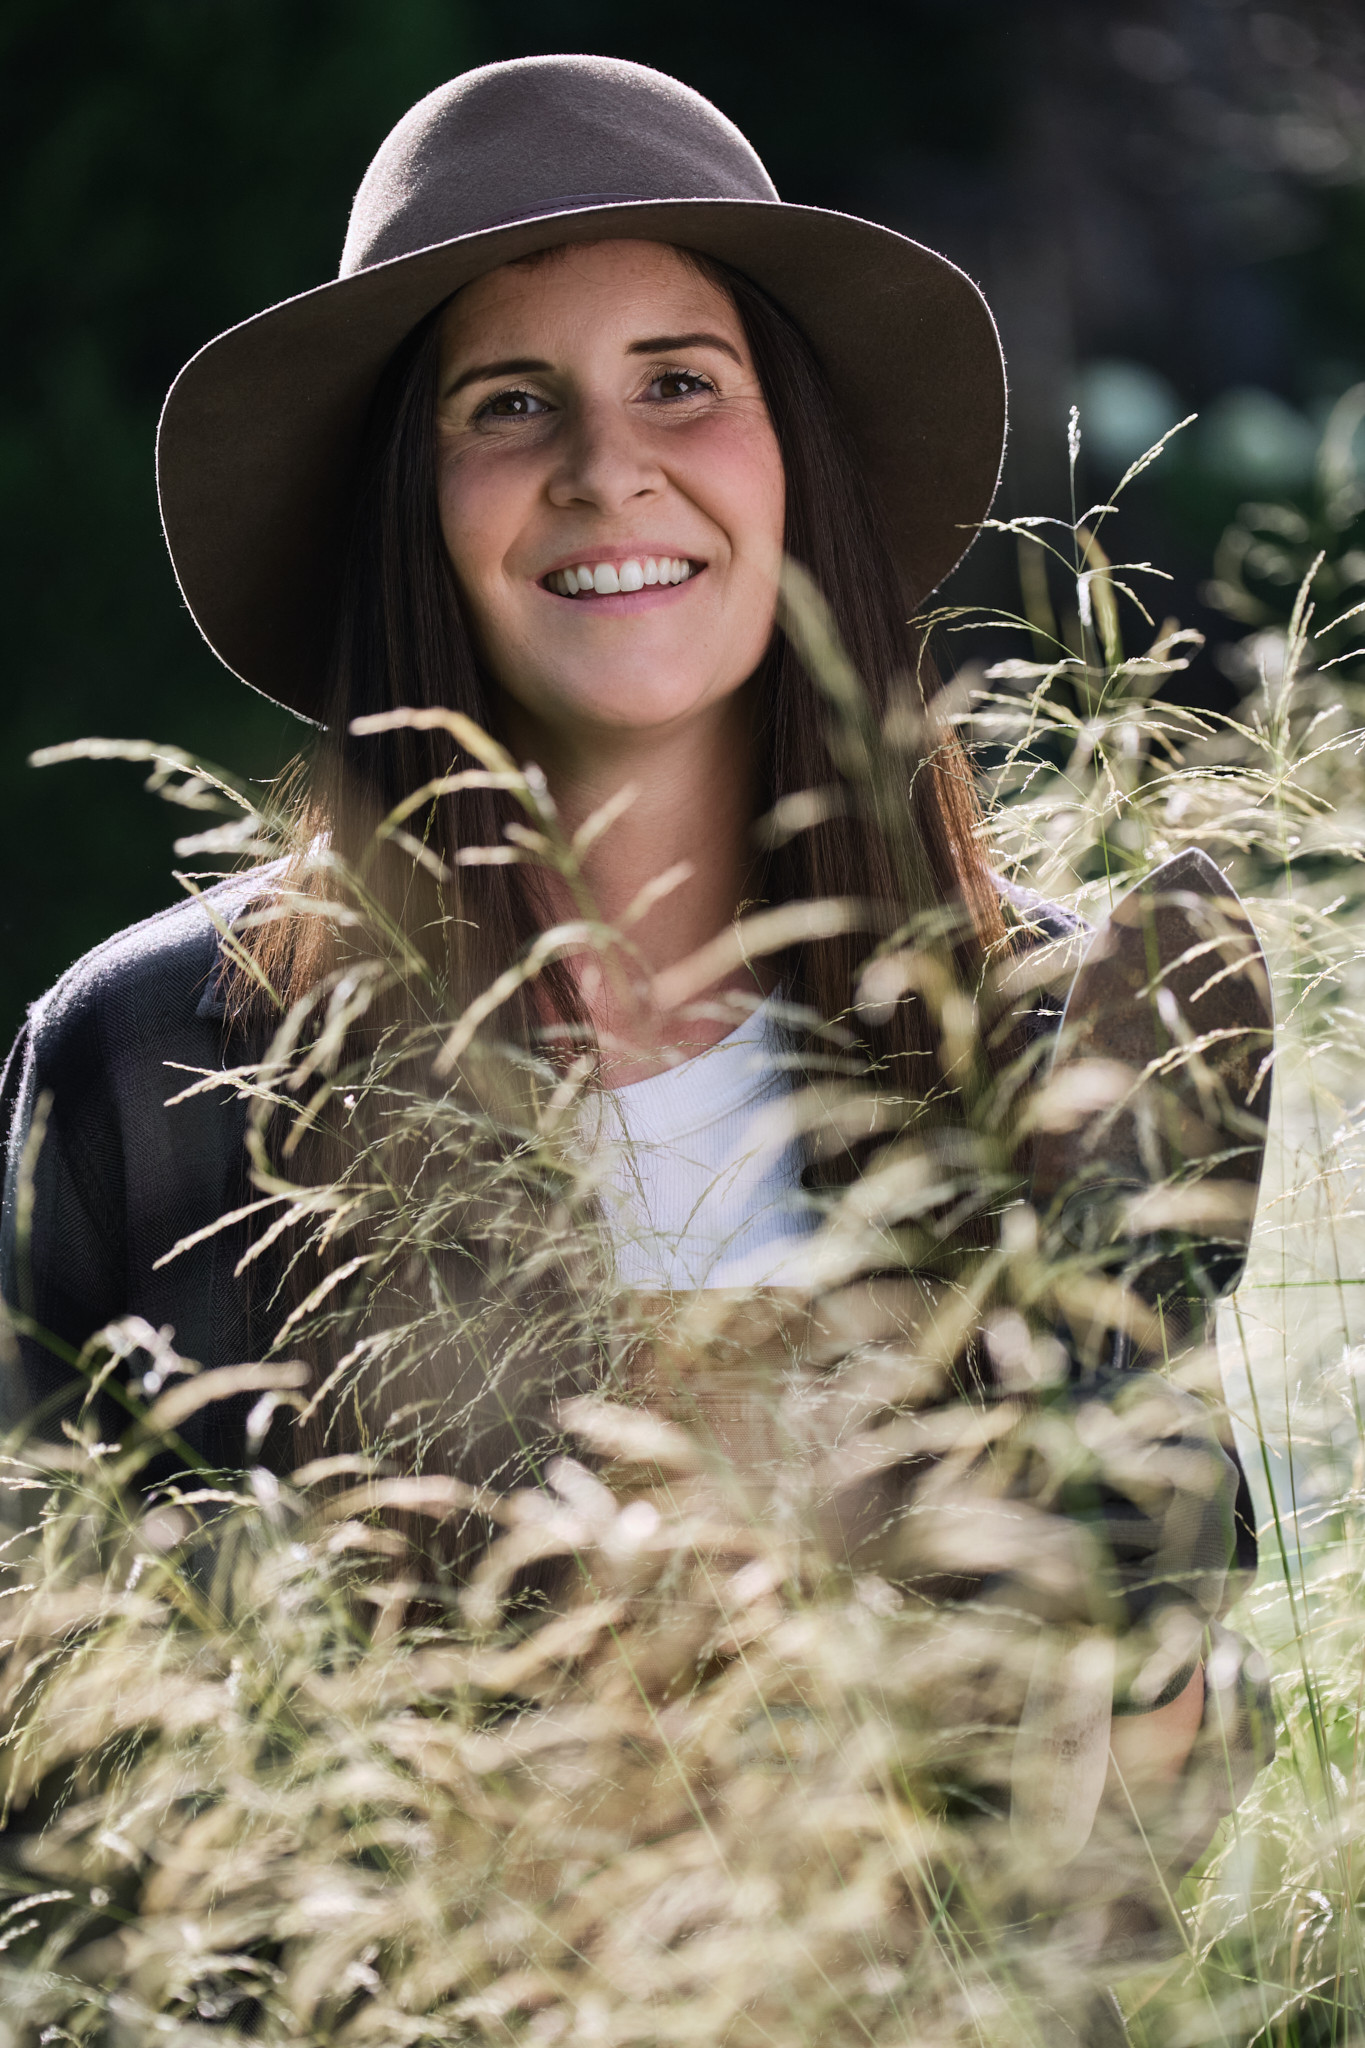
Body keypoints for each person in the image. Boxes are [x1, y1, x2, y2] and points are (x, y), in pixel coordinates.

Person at [0, 54, 1266, 1881]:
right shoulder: (151, 1067)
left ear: (788, 461)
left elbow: (1156, 1844)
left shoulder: (1047, 1032)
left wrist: (1126, 1619)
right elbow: (47, 1805)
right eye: (508, 406)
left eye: (682, 382)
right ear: (404, 508)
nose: (608, 469)